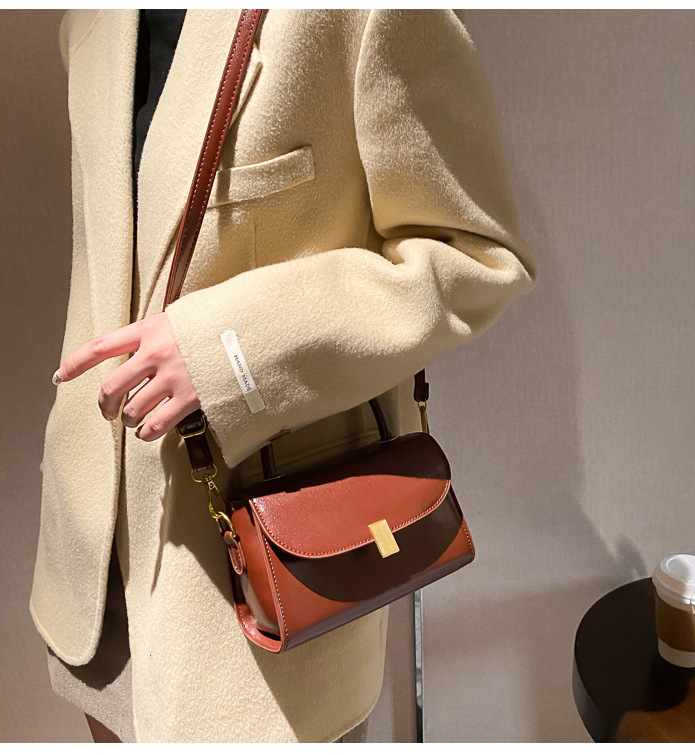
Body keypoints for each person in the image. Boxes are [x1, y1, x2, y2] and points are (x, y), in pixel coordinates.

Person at [30, 9, 537, 743]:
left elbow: (476, 257)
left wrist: (229, 352)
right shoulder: (88, 20)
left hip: (261, 586)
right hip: (92, 572)